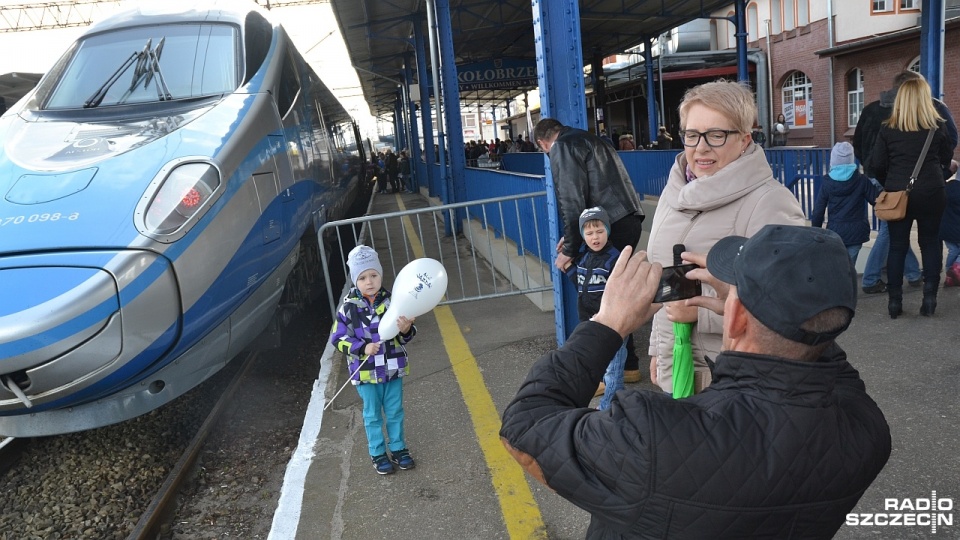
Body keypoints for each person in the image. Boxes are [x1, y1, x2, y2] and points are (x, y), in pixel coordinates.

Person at [499, 225, 891, 539]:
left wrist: (607, 324)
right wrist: (757, 313)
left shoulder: (657, 439)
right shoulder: (866, 429)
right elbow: (825, 353)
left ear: (733, 317)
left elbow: (524, 426)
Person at [646, 80, 805, 395]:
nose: (701, 147)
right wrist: (658, 347)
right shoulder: (674, 191)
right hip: (675, 363)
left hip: (734, 375)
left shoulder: (771, 202)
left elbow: (791, 305)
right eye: (692, 135)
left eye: (717, 135)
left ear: (745, 140)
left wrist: (698, 314)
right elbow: (667, 280)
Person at [533, 117, 645, 382]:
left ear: (542, 143)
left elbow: (571, 199)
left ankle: (605, 375)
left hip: (608, 228)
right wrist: (572, 236)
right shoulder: (589, 139)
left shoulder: (561, 147)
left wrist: (571, 248)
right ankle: (627, 366)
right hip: (624, 221)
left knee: (597, 302)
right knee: (611, 298)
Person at [854, 70, 957, 294]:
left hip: (893, 184)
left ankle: (894, 300)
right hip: (930, 189)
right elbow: (947, 154)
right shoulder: (936, 119)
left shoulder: (879, 117)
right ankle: (929, 297)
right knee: (929, 242)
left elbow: (865, 150)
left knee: (896, 243)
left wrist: (886, 181)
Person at [331, 245, 417, 475]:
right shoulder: (348, 308)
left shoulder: (393, 301)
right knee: (372, 415)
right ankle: (378, 453)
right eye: (362, 277)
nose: (369, 282)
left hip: (393, 368)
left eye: (373, 275)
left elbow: (406, 336)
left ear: (380, 275)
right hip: (366, 373)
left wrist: (406, 328)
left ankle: (399, 448)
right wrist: (361, 347)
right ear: (354, 280)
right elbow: (337, 339)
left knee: (395, 411)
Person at [562, 207, 627, 409]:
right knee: (602, 363)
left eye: (599, 231)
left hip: (612, 321)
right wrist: (570, 269)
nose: (595, 237)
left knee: (613, 366)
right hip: (590, 320)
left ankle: (608, 406)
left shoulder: (615, 258)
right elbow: (581, 285)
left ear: (607, 230)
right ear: (583, 236)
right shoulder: (584, 259)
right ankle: (617, 398)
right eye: (589, 233)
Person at [811, 141, 880, 266]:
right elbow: (876, 200)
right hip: (856, 232)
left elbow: (818, 211)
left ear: (833, 161)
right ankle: (850, 284)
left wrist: (815, 231)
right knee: (849, 268)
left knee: (837, 269)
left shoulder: (827, 183)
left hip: (835, 232)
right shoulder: (861, 180)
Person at [941, 166, 960, 286]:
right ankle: (955, 269)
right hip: (958, 229)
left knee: (952, 250)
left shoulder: (946, 188)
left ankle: (949, 272)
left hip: (945, 229)